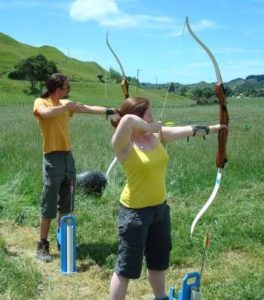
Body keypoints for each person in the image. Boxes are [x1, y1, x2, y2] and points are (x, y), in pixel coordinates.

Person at [109, 96, 227, 300]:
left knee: (158, 260)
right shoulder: (123, 143)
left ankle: (161, 296)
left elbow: (190, 129)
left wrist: (217, 128)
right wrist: (150, 125)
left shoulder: (156, 136)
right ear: (139, 118)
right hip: (134, 213)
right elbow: (127, 120)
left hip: (160, 210)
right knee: (126, 267)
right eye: (149, 115)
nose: (155, 119)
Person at [33, 73, 115, 263]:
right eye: (67, 88)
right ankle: (42, 244)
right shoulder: (41, 102)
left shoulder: (65, 104)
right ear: (57, 88)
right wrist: (65, 107)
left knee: (66, 203)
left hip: (68, 158)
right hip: (52, 159)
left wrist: (111, 110)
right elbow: (44, 114)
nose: (69, 91)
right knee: (48, 202)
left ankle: (64, 239)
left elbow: (87, 108)